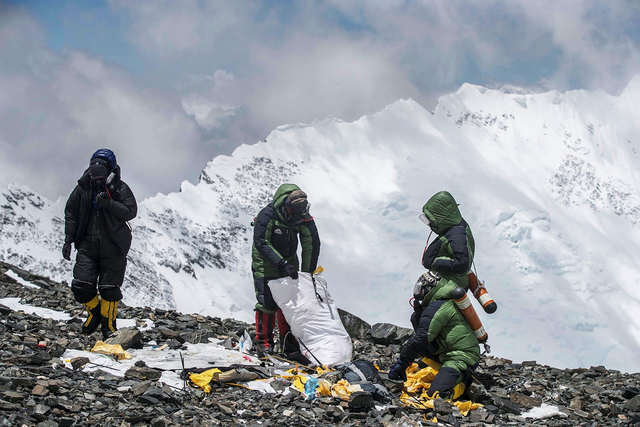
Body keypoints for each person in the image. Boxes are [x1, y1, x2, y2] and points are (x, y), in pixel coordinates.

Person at [388, 191, 479, 399]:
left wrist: (401, 366)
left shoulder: (441, 304)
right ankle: (443, 367)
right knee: (418, 320)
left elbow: (419, 340)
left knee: (438, 394)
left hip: (461, 356)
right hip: (446, 351)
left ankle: (463, 381)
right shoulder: (456, 231)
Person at [63, 149, 137, 339]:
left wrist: (109, 204)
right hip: (87, 246)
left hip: (113, 246)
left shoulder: (120, 188)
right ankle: (95, 313)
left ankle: (108, 326)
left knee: (109, 289)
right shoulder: (82, 188)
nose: (97, 178)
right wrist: (68, 240)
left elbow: (130, 212)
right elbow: (71, 213)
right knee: (81, 286)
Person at [251, 184, 320, 355]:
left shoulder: (302, 216)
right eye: (296, 213)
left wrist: (307, 275)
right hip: (265, 261)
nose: (299, 216)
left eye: (301, 212)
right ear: (287, 207)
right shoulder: (268, 215)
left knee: (290, 302)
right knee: (267, 301)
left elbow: (311, 243)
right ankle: (264, 343)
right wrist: (281, 264)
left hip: (288, 261)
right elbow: (261, 242)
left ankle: (288, 341)